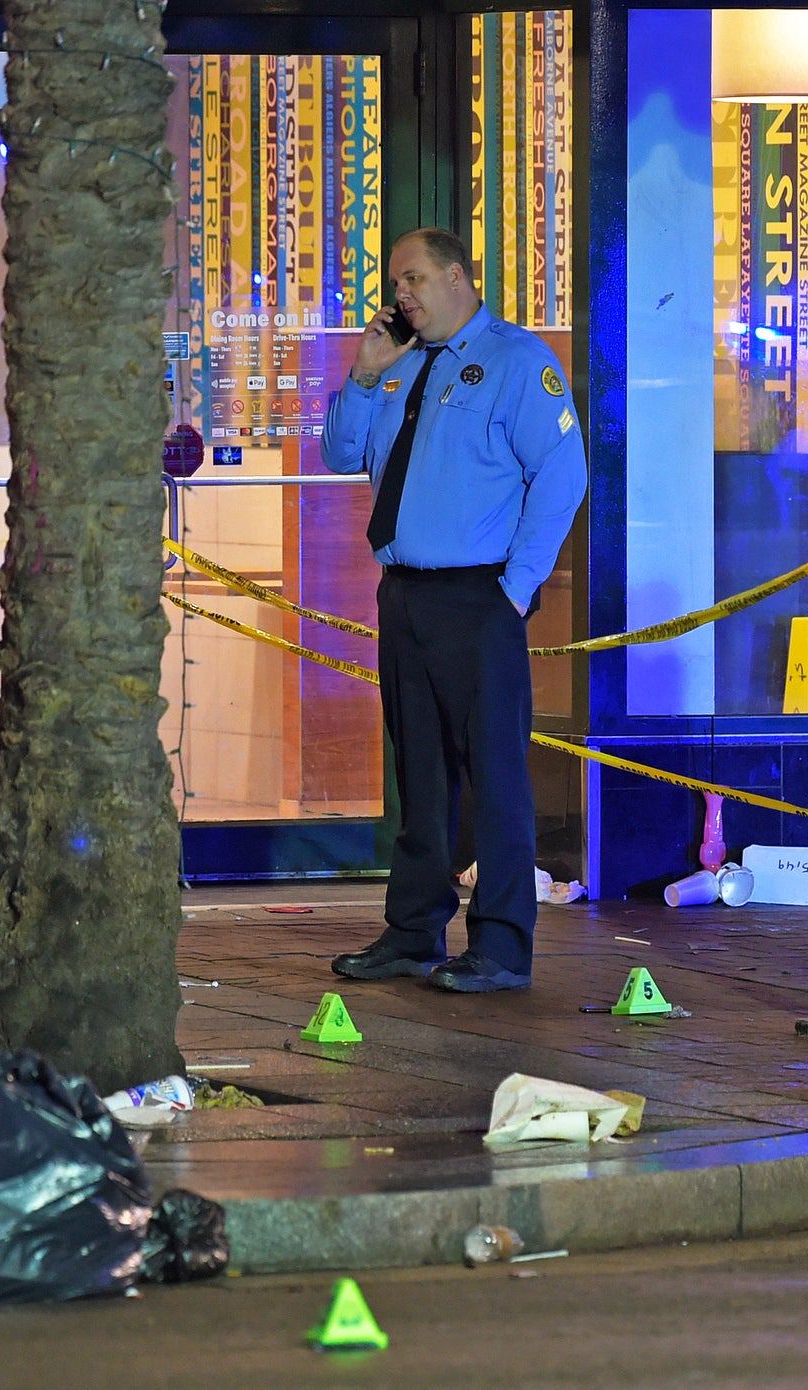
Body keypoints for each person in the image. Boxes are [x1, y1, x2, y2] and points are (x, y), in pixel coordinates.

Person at [319, 227, 587, 993]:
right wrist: (366, 375)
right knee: (422, 773)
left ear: (459, 276)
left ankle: (501, 946)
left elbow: (561, 478)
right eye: (395, 284)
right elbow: (341, 455)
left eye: (413, 280)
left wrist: (516, 589)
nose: (401, 296)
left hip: (480, 596)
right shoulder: (399, 364)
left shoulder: (516, 361)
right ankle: (412, 931)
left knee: (496, 775)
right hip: (405, 595)